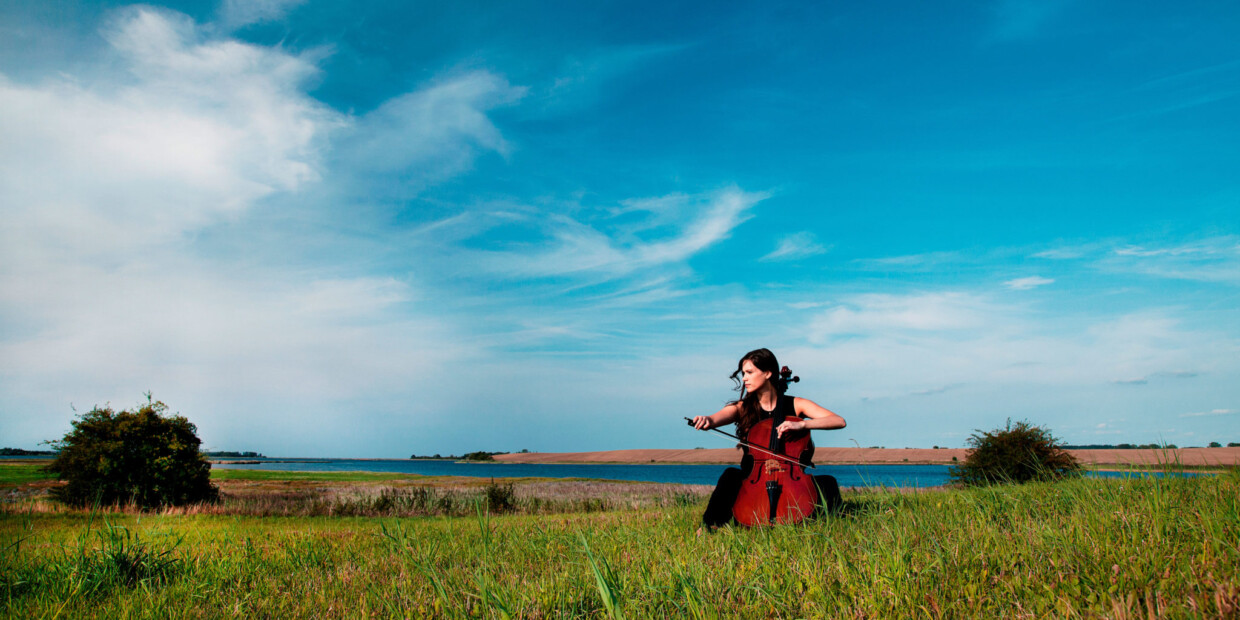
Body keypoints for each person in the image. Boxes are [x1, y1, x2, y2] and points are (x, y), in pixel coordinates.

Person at [690, 348, 846, 531]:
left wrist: (802, 425)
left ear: (767, 373)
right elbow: (715, 418)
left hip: (790, 476)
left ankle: (829, 524)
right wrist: (707, 420)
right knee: (730, 476)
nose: (744, 379)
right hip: (753, 478)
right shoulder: (742, 407)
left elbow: (838, 421)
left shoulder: (797, 404)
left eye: (749, 372)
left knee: (828, 482)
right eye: (743, 374)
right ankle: (710, 526)